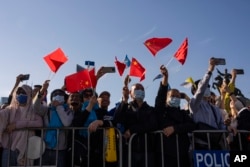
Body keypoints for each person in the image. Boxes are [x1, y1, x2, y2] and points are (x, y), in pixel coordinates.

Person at [189, 58, 236, 150]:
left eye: (209, 87)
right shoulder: (194, 104)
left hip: (215, 147)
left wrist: (228, 128)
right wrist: (210, 70)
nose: (208, 88)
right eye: (206, 86)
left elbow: (220, 127)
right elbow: (200, 90)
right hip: (200, 148)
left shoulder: (214, 109)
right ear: (195, 90)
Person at [155, 65, 196, 167]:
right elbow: (160, 96)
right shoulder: (161, 110)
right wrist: (165, 78)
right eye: (173, 96)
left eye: (178, 96)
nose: (176, 98)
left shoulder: (182, 113)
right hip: (165, 155)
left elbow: (192, 125)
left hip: (182, 154)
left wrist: (175, 128)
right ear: (167, 98)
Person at [113, 81, 158, 167]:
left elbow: (153, 125)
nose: (140, 90)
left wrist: (132, 129)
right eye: (137, 89)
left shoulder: (150, 109)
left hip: (147, 150)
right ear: (130, 93)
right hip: (129, 150)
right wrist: (125, 100)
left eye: (142, 89)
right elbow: (116, 120)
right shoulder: (126, 107)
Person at [0, 84, 43, 167]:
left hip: (26, 147)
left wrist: (17, 125)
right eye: (18, 92)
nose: (20, 95)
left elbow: (39, 123)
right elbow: (1, 116)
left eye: (23, 92)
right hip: (9, 146)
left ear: (29, 94)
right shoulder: (10, 109)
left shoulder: (33, 110)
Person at [33, 81, 74, 167]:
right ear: (51, 98)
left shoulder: (69, 111)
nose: (58, 96)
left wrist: (59, 107)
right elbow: (35, 107)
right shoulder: (47, 110)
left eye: (60, 95)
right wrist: (42, 90)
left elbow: (66, 123)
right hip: (45, 148)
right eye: (55, 95)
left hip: (60, 150)